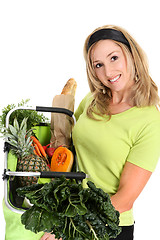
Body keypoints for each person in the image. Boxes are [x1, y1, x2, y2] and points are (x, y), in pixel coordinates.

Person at [40, 25, 160, 240]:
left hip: (107, 227)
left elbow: (125, 198)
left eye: (114, 58)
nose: (108, 72)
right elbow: (67, 147)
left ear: (131, 54)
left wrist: (70, 224)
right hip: (70, 211)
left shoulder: (150, 120)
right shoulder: (92, 100)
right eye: (98, 65)